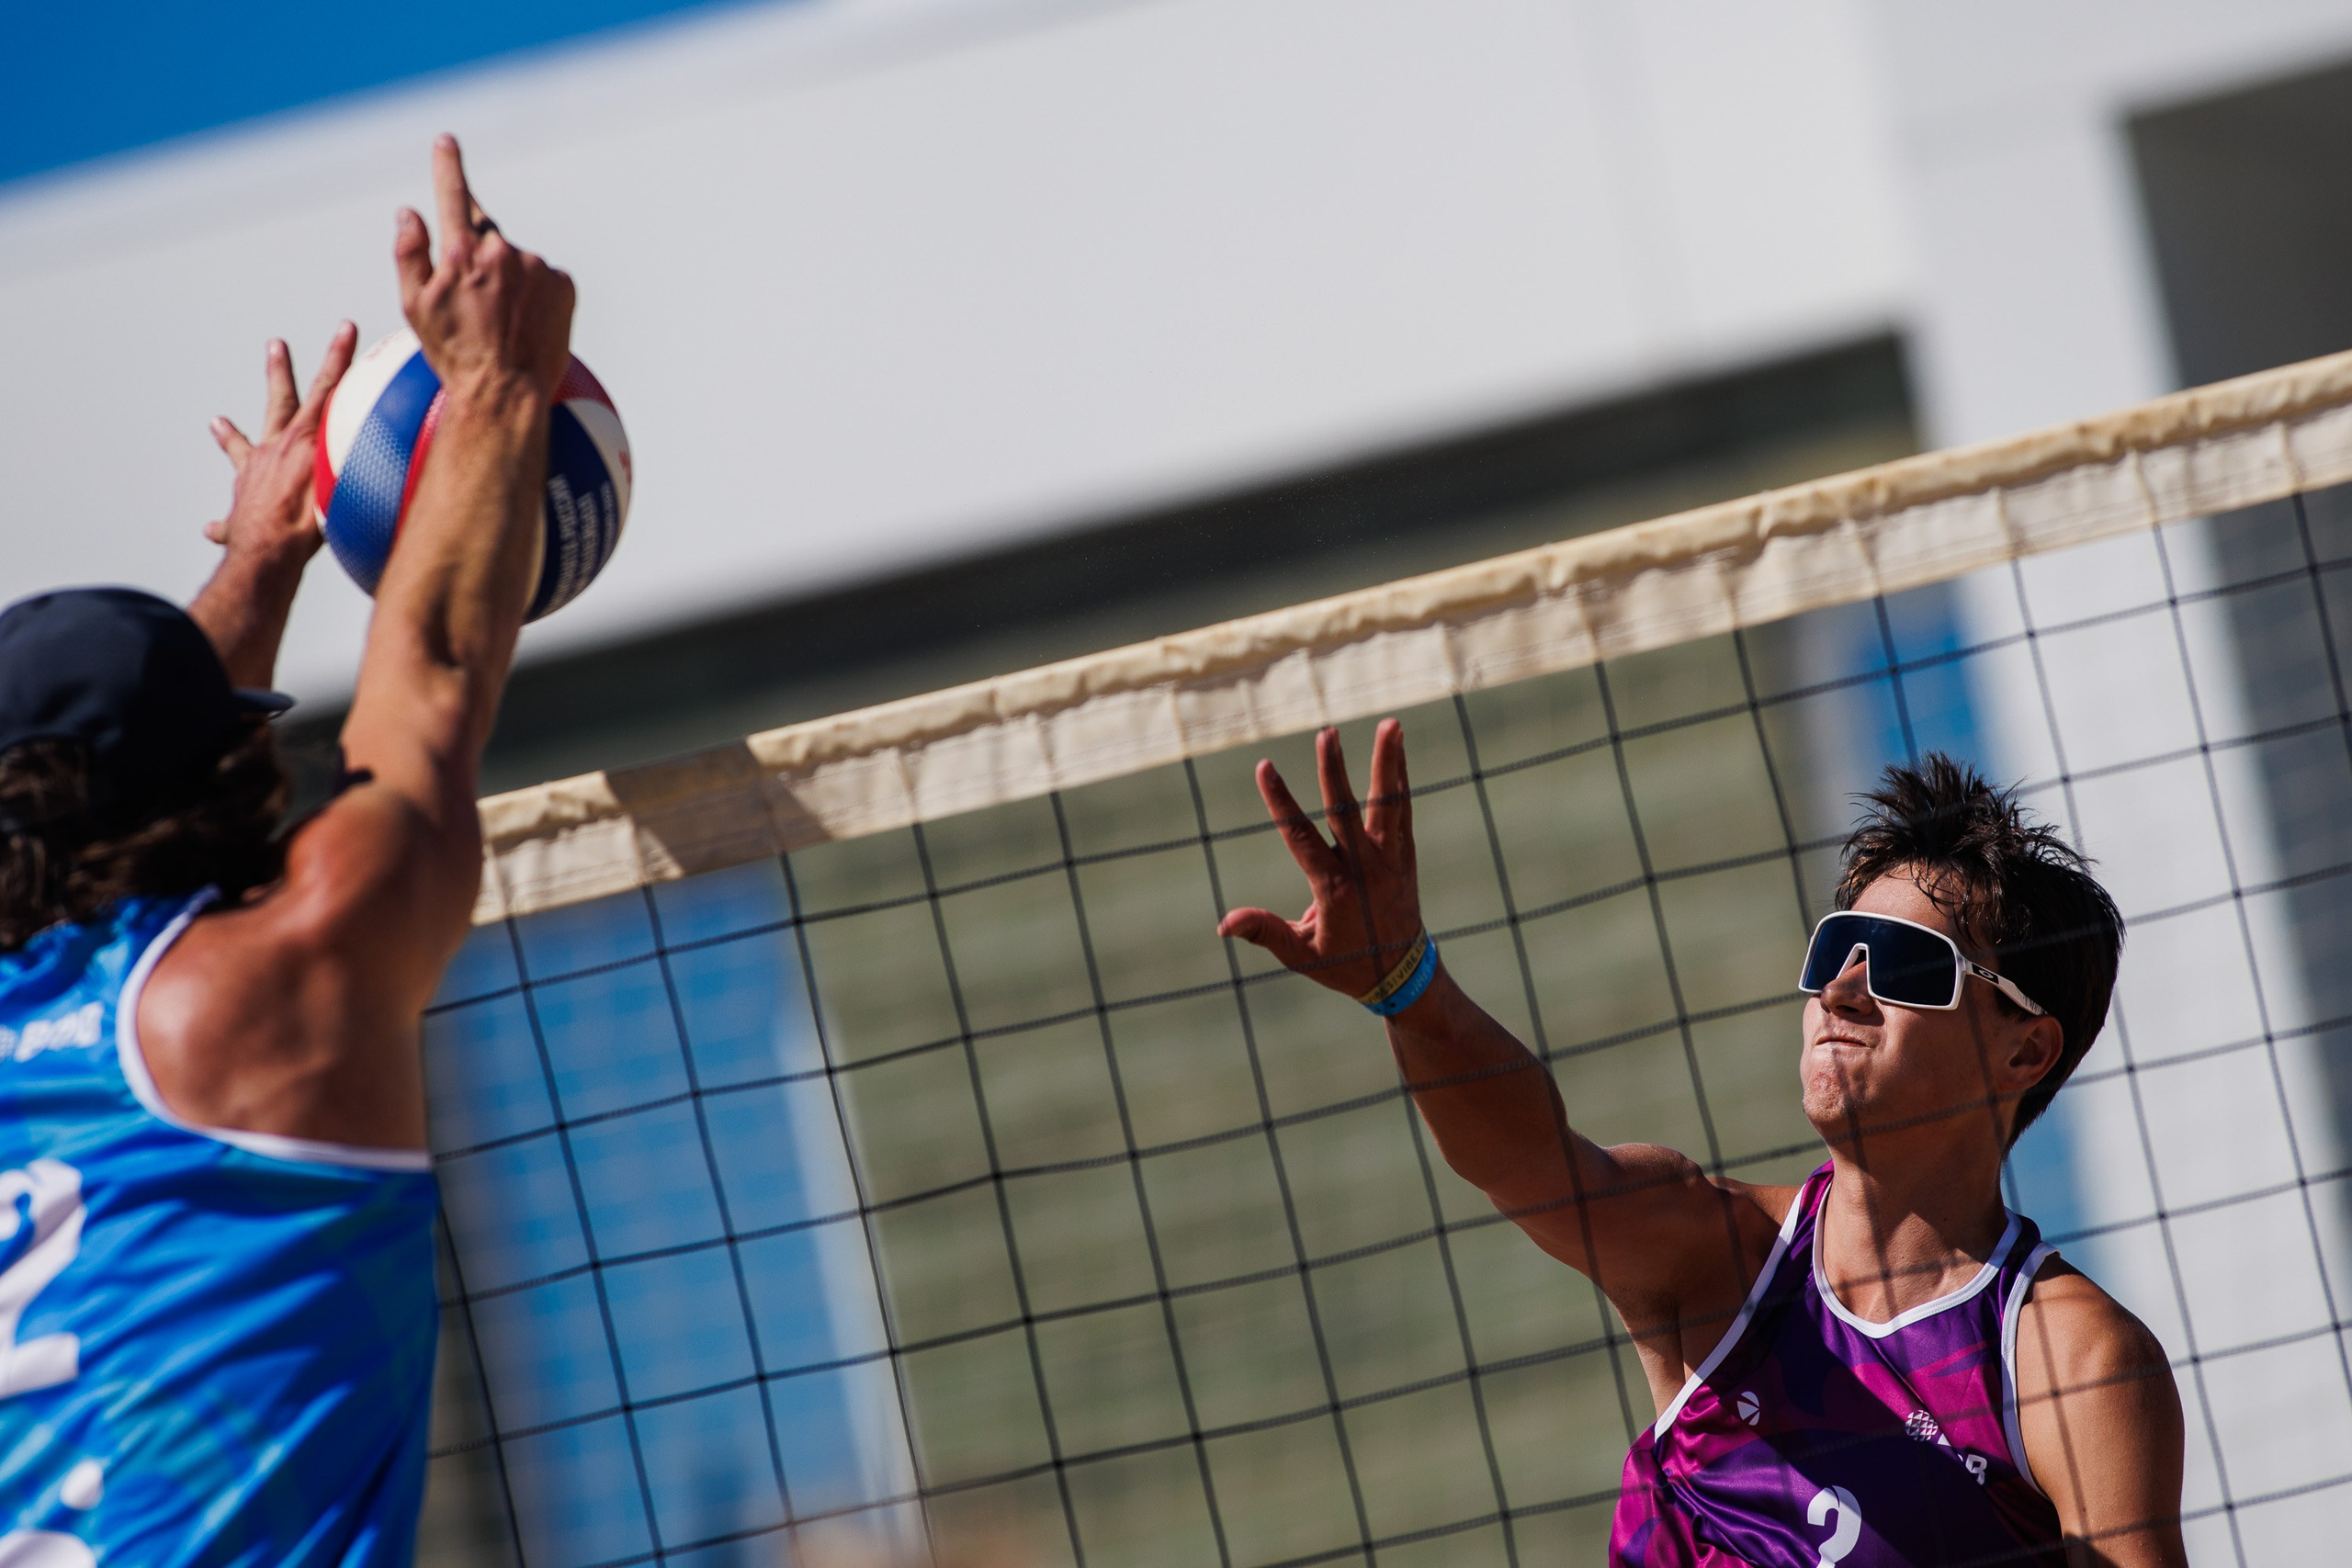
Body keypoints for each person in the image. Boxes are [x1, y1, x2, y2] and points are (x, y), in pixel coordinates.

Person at [0, 136, 574, 1563]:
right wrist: (499, 380)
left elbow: (129, 767)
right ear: (217, 778)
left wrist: (254, 565)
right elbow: (432, 667)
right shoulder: (268, 992)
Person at [1218, 722, 2186, 1568]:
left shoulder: (2073, 1360)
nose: (1839, 993)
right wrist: (1404, 983)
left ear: (2025, 1048)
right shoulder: (1716, 1251)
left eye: (1900, 964)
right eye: (1830, 951)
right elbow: (1528, 1162)